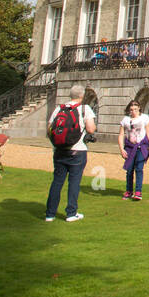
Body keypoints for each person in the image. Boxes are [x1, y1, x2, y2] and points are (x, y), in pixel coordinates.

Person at [45, 85, 97, 222]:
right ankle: (71, 213)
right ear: (82, 96)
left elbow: (49, 129)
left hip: (59, 151)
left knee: (57, 182)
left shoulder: (59, 108)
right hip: (77, 150)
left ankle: (50, 214)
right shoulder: (84, 109)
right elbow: (91, 129)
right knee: (74, 182)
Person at [118, 100, 149, 201]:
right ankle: (129, 191)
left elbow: (148, 132)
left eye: (135, 109)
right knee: (129, 170)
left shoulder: (144, 118)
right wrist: (121, 149)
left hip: (141, 147)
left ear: (139, 108)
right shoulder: (125, 120)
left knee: (139, 168)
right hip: (130, 147)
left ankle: (138, 191)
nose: (133, 111)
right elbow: (121, 135)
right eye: (131, 109)